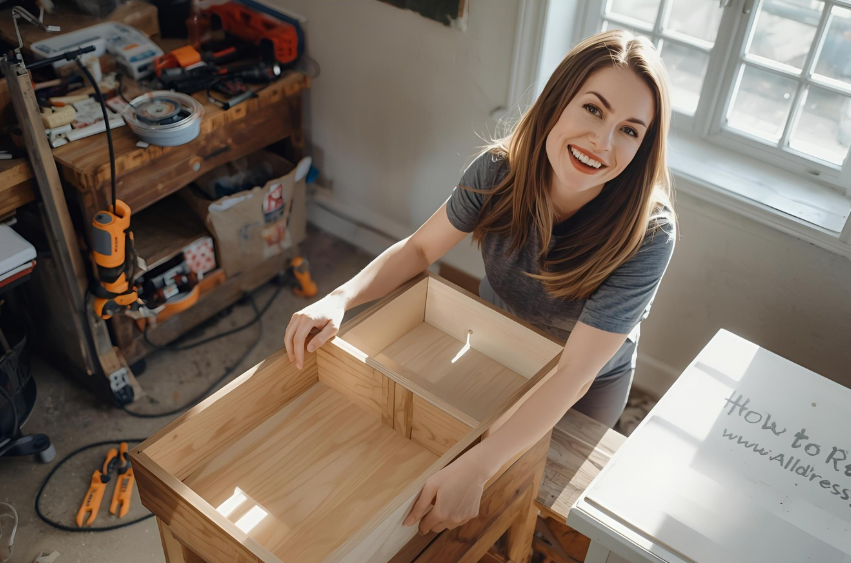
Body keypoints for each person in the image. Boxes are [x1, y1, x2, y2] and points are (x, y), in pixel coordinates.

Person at [284, 29, 676, 536]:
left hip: (585, 386)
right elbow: (421, 249)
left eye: (629, 130)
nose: (602, 143)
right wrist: (340, 298)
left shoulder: (649, 236)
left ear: (644, 147)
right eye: (593, 110)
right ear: (557, 102)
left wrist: (479, 466)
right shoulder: (498, 172)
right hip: (494, 343)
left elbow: (574, 372)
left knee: (535, 504)